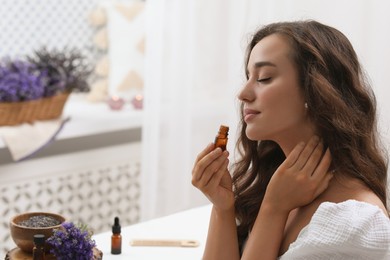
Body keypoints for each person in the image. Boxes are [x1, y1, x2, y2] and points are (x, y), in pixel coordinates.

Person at [191, 20, 390, 259]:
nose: (243, 94)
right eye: (248, 77)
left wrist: (274, 210)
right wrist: (223, 209)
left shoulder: (353, 225)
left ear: (315, 90)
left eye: (264, 78)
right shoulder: (274, 188)